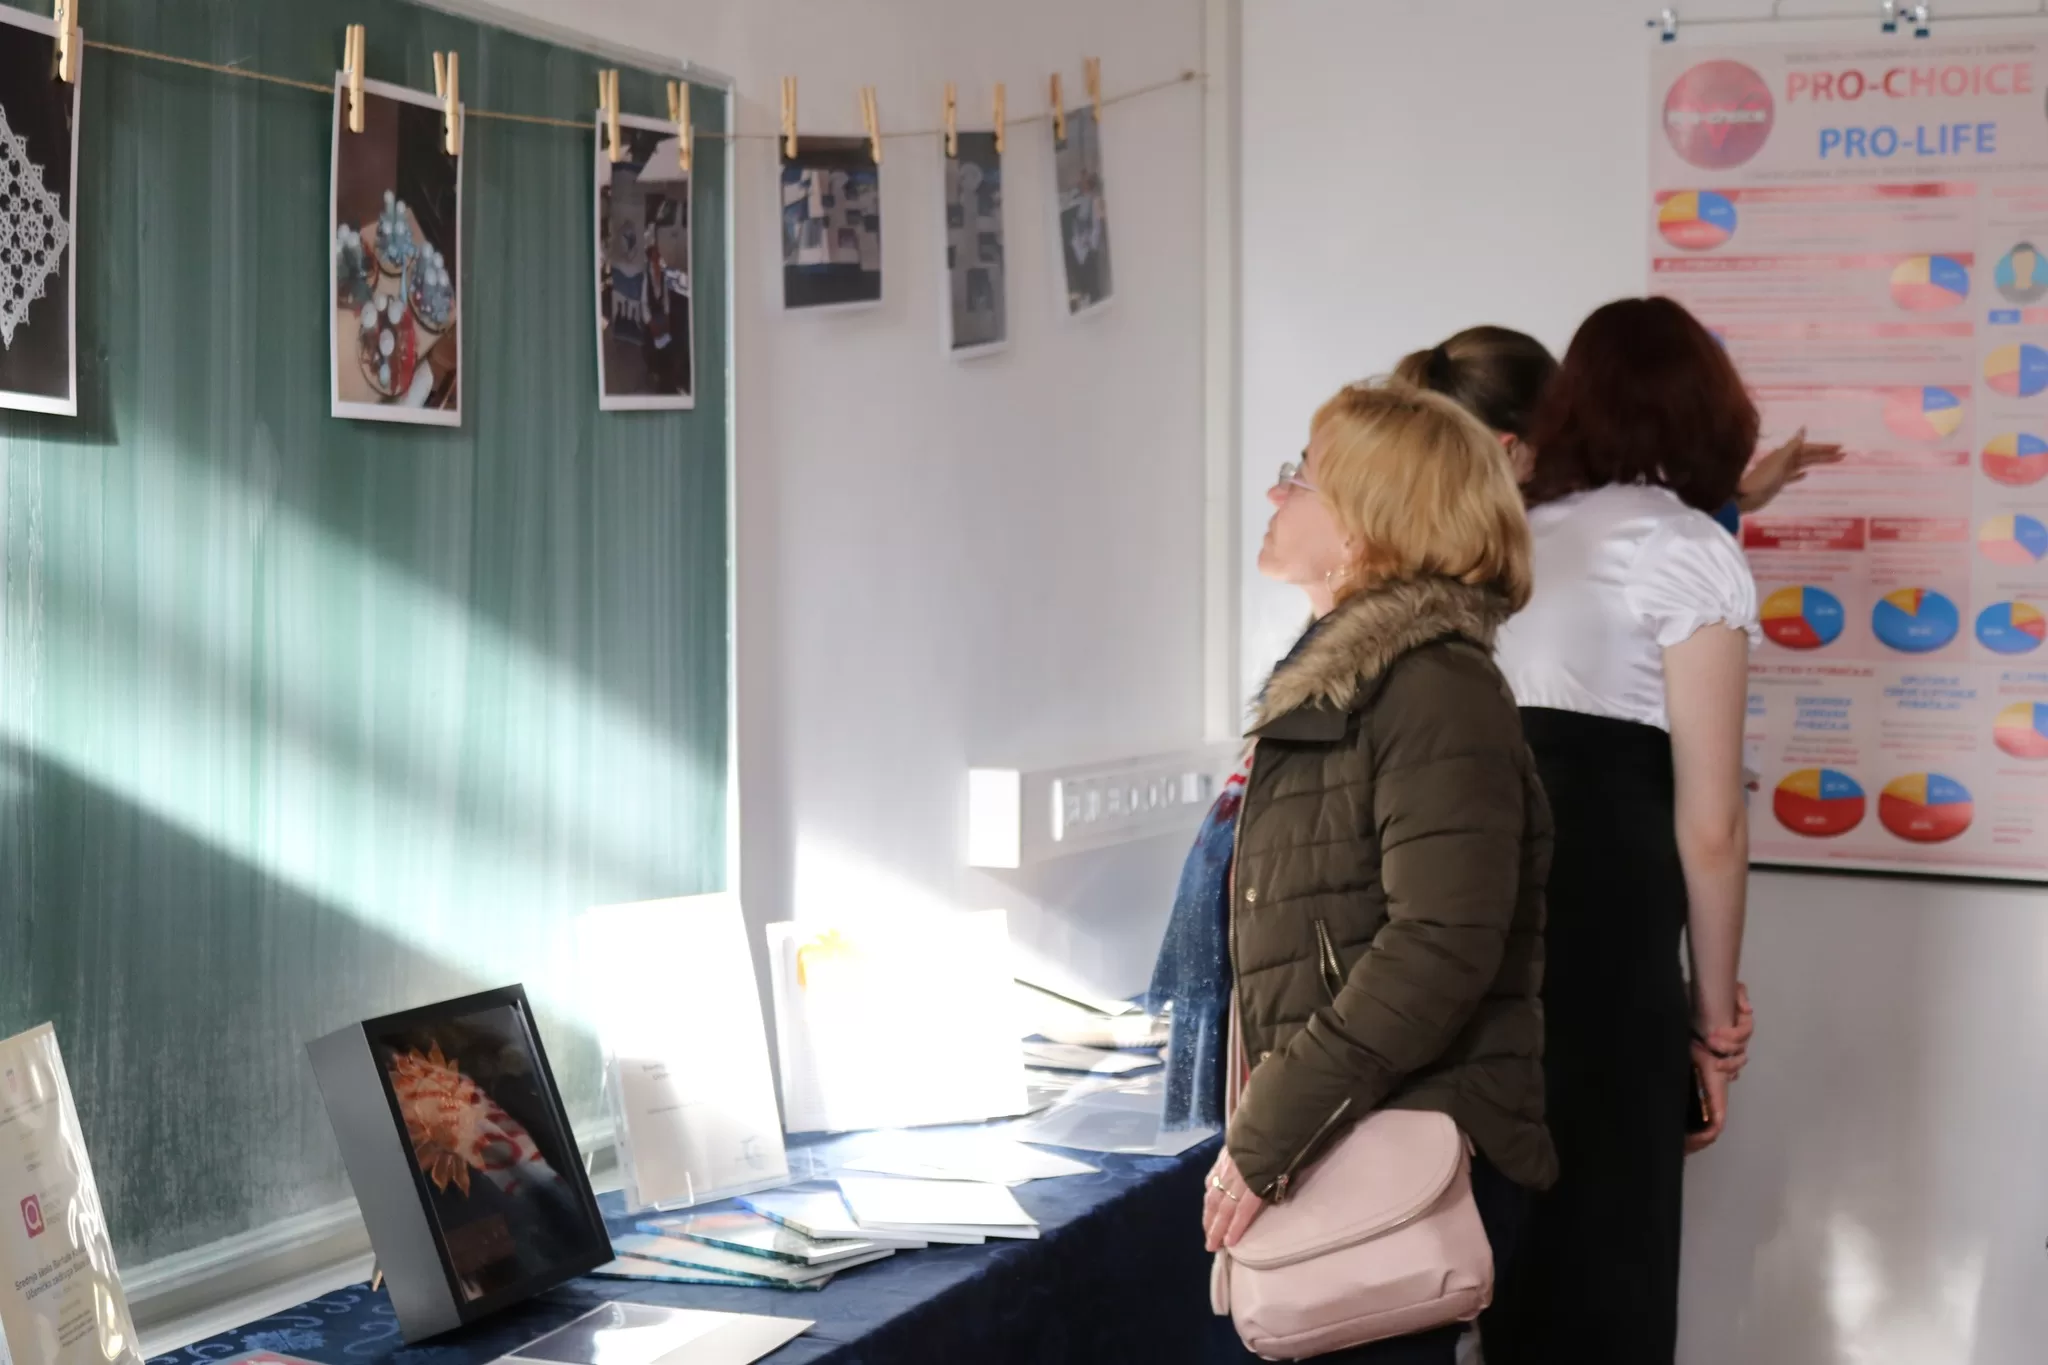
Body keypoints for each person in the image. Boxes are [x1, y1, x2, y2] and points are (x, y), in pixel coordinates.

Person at [1199, 380, 1556, 1363]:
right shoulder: (1352, 678)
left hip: (1390, 1143)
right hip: (1342, 1119)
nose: (1276, 495)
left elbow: (1437, 946)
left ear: (1364, 527)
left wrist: (1268, 1130)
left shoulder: (1435, 688)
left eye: (1301, 478)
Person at [1467, 297, 1760, 1364]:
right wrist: (1713, 1020)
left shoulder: (1504, 538)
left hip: (1479, 916)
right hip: (1609, 934)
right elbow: (1712, 824)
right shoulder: (1687, 550)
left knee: (1502, 1243)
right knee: (1608, 1254)